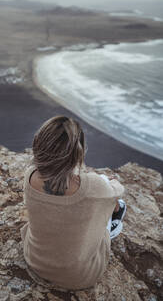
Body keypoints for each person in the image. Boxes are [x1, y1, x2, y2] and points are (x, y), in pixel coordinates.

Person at [20, 116, 126, 290]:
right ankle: (112, 225)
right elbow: (118, 190)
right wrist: (108, 180)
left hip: (35, 261)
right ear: (78, 152)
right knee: (113, 201)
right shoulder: (92, 185)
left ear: (38, 144)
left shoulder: (30, 175)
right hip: (79, 276)